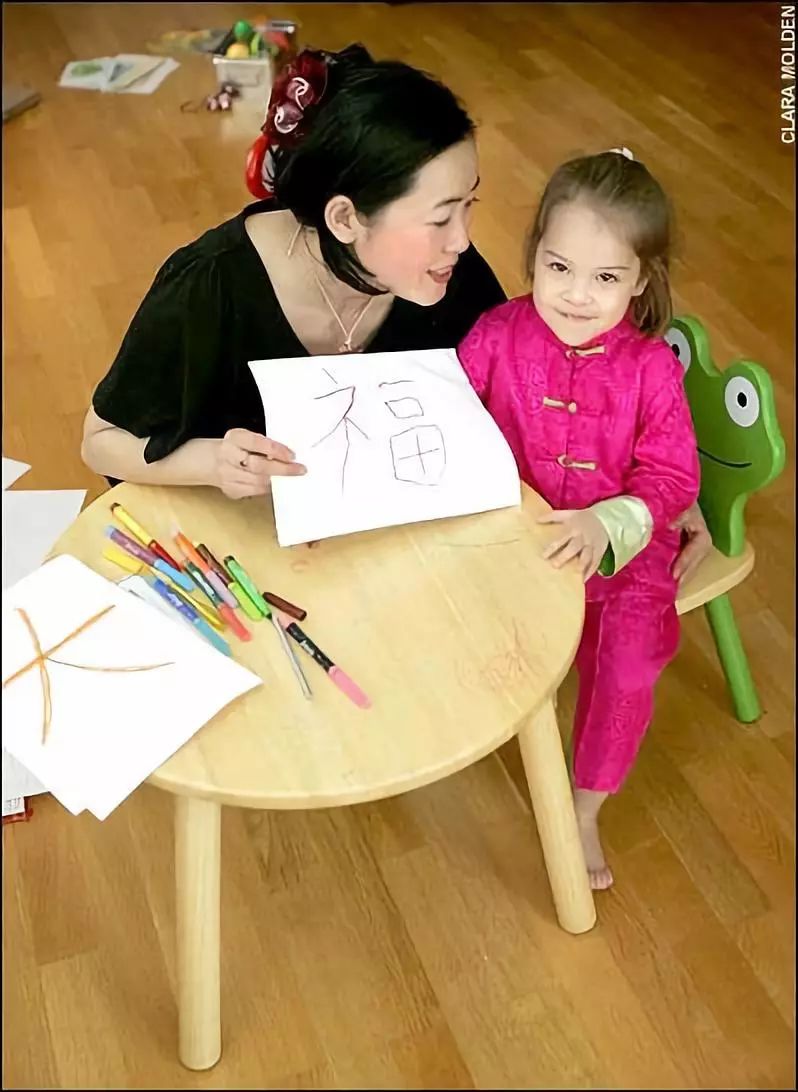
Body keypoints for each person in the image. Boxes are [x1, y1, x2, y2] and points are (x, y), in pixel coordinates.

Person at [81, 44, 504, 495]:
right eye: (439, 219)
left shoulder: (451, 271)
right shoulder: (211, 285)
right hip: (232, 529)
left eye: (469, 204)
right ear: (344, 219)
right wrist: (212, 463)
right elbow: (100, 442)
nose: (461, 240)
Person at [457, 148, 704, 889]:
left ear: (640, 280)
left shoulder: (650, 368)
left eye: (605, 278)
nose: (575, 295)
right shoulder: (495, 334)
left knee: (626, 666)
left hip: (625, 556)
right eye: (559, 267)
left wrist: (606, 525)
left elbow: (671, 475)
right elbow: (450, 418)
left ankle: (586, 805)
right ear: (534, 253)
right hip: (519, 536)